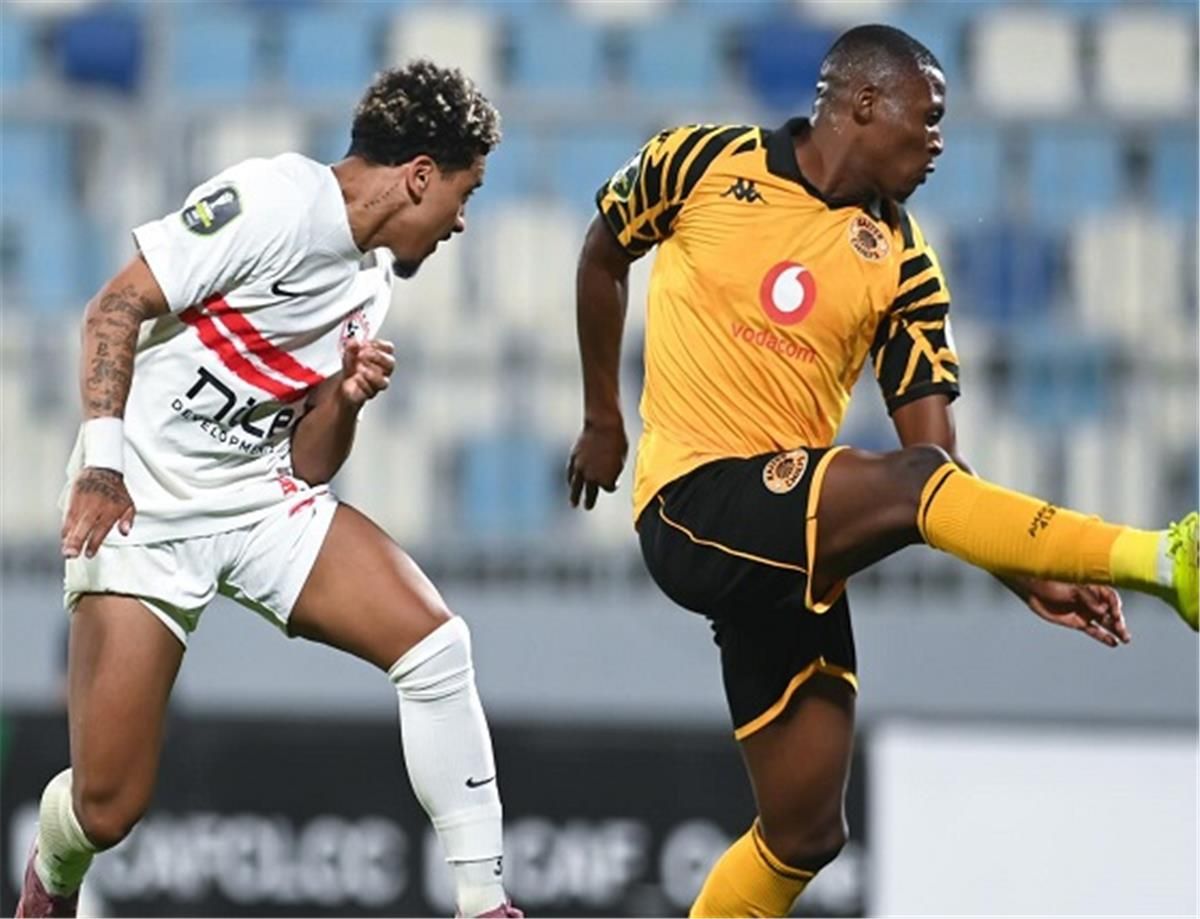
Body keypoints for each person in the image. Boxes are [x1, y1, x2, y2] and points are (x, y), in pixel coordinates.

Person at [568, 23, 1198, 919]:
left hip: (790, 544)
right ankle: (1164, 559)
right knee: (900, 483)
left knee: (804, 831)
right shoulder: (698, 161)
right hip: (691, 503)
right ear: (865, 103)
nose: (939, 144)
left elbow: (935, 465)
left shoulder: (904, 263)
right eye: (929, 118)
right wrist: (602, 415)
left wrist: (1022, 568)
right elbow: (603, 250)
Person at [17, 60, 520, 919]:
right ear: (419, 175)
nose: (462, 220)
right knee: (108, 806)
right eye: (463, 193)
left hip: (259, 499)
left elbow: (311, 463)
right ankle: (52, 875)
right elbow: (113, 309)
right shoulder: (270, 203)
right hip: (147, 505)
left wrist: (345, 399)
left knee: (436, 646)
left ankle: (485, 902)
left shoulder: (370, 283)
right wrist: (101, 464)